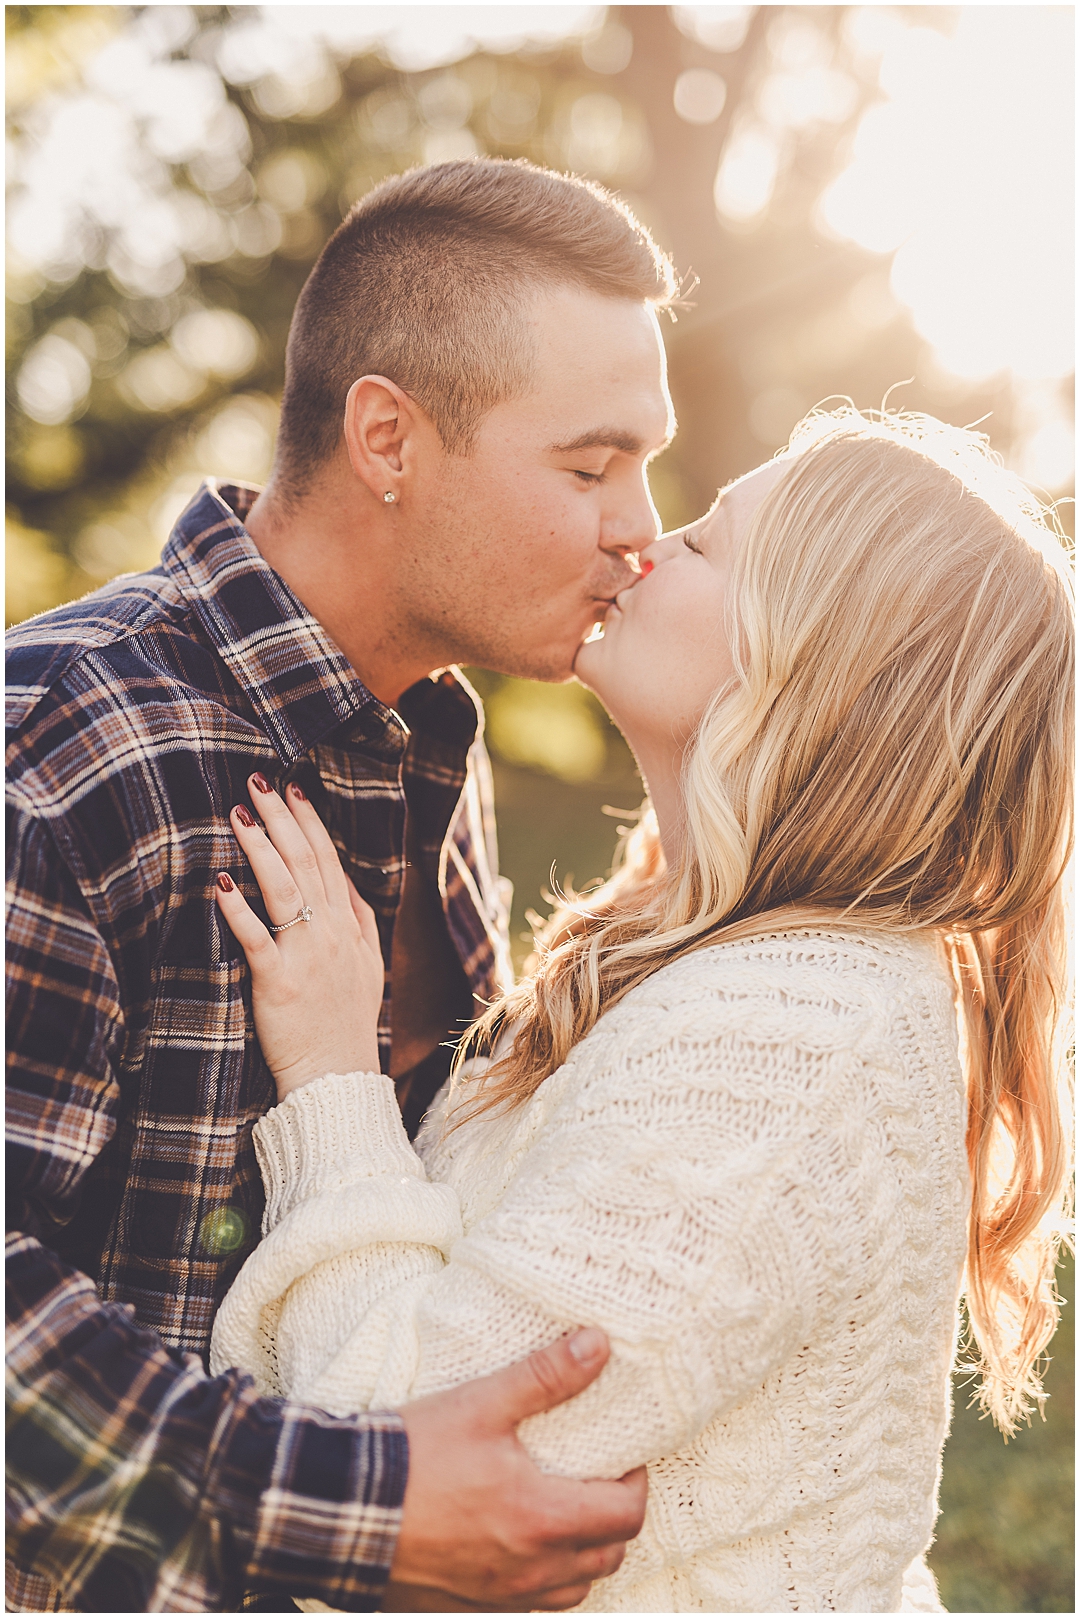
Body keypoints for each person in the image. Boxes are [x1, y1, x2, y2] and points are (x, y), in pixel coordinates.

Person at [210, 408, 1072, 1614]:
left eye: (710, 546)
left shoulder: (788, 1038)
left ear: (815, 667)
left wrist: (329, 1079)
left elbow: (395, 1463)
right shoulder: (733, 963)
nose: (648, 544)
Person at [6, 157, 677, 1612]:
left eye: (647, 463)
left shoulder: (429, 745)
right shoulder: (57, 748)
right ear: (388, 437)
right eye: (589, 463)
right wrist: (354, 1509)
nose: (640, 524)